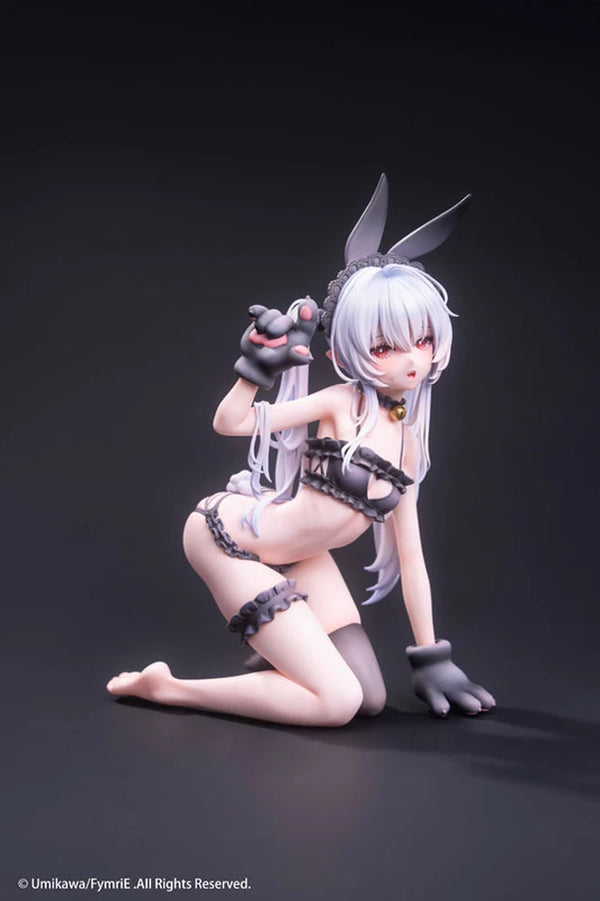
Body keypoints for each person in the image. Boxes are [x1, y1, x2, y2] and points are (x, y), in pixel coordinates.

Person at [106, 175, 495, 726]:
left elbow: (411, 557)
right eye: (385, 345)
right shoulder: (340, 403)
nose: (412, 359)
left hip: (301, 556)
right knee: (338, 704)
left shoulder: (409, 440)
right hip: (232, 541)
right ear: (344, 352)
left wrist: (431, 655)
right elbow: (230, 423)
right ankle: (170, 689)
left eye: (423, 339)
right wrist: (256, 369)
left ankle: (284, 655)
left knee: (370, 699)